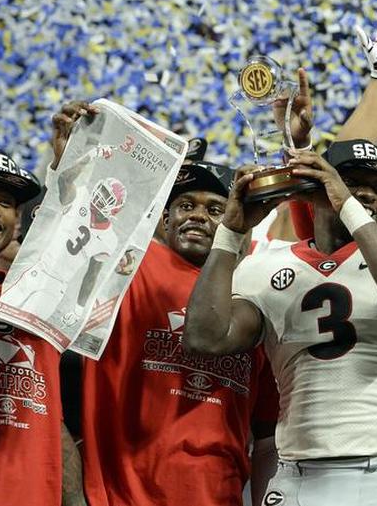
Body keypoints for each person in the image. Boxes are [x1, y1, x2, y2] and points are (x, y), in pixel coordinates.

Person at [183, 138, 377, 506]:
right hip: (295, 477)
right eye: (351, 182)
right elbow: (205, 339)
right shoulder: (266, 264)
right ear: (315, 189)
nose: (368, 196)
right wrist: (230, 232)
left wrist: (347, 203)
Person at [77, 153, 280, 506]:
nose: (199, 215)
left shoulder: (254, 294)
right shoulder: (128, 267)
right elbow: (79, 231)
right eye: (186, 205)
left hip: (220, 494)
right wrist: (74, 163)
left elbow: (266, 434)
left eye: (216, 210)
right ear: (163, 220)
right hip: (119, 495)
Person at [0, 148, 83, 506]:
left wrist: (75, 498)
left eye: (4, 201)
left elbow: (45, 409)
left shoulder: (34, 300)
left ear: (16, 219)